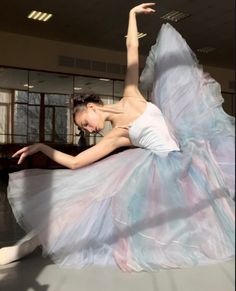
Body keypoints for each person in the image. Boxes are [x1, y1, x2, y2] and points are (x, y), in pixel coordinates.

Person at [0, 3, 235, 271]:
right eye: (84, 129)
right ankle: (25, 246)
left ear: (92, 107)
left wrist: (131, 15)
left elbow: (132, 50)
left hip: (183, 161)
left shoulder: (131, 95)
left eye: (85, 123)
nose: (88, 130)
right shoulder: (116, 137)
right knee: (90, 201)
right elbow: (76, 163)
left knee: (209, 209)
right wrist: (42, 146)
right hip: (161, 169)